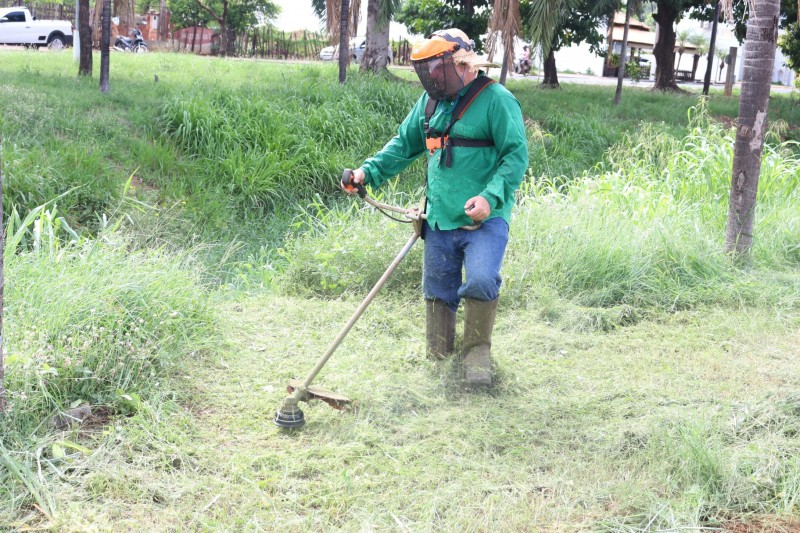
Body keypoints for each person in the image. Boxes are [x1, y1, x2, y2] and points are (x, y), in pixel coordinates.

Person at [344, 29, 529, 386]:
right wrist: (367, 172)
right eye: (425, 68)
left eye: (436, 67)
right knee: (438, 289)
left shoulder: (498, 100)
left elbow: (515, 157)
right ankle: (439, 356)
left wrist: (490, 198)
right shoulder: (429, 105)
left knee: (480, 279)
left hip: (484, 221)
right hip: (440, 218)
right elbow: (402, 146)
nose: (430, 76)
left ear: (461, 63)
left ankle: (477, 355)